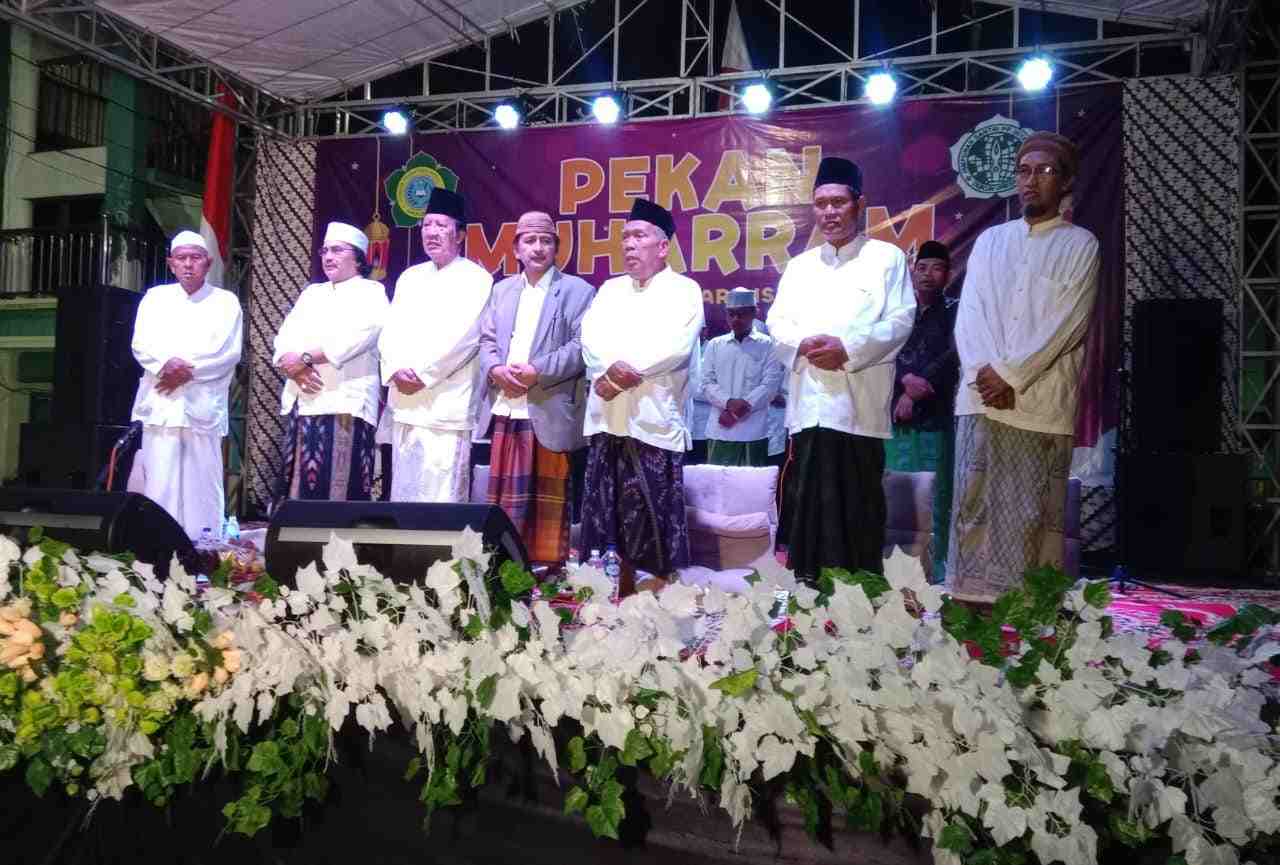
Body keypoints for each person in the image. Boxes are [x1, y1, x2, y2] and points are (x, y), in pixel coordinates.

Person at [948, 131, 1100, 603]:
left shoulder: (1080, 245)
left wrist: (1011, 375)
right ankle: (970, 615)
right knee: (973, 512)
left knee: (1032, 517)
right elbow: (969, 315)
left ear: (1068, 182)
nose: (1032, 181)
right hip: (980, 402)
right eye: (1024, 171)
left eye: (1046, 171)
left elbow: (1068, 323)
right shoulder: (991, 241)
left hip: (1037, 405)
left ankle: (1029, 623)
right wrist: (984, 373)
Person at [767, 157, 915, 582]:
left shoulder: (886, 259)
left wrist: (847, 349)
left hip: (858, 413)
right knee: (806, 516)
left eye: (838, 202)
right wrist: (803, 345)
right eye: (821, 204)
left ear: (859, 204)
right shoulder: (799, 267)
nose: (829, 212)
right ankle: (808, 606)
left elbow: (900, 321)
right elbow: (778, 322)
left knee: (856, 513)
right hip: (809, 411)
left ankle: (859, 616)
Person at [580, 198, 703, 593]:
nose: (628, 244)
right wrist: (606, 370)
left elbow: (676, 347)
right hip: (607, 421)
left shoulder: (684, 290)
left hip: (653, 423)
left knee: (652, 521)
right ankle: (618, 597)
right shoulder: (610, 290)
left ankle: (660, 604)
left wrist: (619, 374)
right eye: (625, 237)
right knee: (610, 520)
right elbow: (591, 340)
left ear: (663, 245)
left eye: (639, 236)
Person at [476, 211, 594, 567]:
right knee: (503, 505)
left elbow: (581, 346)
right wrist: (495, 368)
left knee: (546, 509)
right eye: (530, 240)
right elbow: (487, 339)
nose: (538, 248)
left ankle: (546, 580)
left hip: (548, 409)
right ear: (516, 248)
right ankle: (501, 574)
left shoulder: (578, 290)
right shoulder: (501, 290)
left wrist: (536, 371)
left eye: (546, 241)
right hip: (506, 408)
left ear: (557, 247)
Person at [379, 188, 492, 502]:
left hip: (447, 404)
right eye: (427, 225)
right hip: (404, 400)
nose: (432, 232)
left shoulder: (477, 279)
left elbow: (465, 339)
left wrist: (423, 375)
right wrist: (393, 370)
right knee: (404, 490)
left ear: (460, 235)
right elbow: (389, 332)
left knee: (441, 495)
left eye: (441, 226)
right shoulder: (409, 278)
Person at [130, 230, 243, 538]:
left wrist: (182, 371)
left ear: (207, 263)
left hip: (202, 406)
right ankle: (157, 550)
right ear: (171, 263)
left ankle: (203, 551)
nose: (188, 264)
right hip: (161, 405)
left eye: (195, 258)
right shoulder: (155, 299)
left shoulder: (225, 302)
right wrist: (166, 364)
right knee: (159, 482)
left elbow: (227, 353)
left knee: (202, 485)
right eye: (182, 258)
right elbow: (141, 344)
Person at [273, 222, 388, 504]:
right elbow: (285, 338)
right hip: (306, 399)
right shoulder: (312, 293)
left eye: (337, 250)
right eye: (325, 250)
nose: (328, 256)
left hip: (346, 403)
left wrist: (305, 358)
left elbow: (358, 336)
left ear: (358, 258)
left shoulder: (371, 292)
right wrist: (294, 367)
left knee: (340, 489)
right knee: (299, 490)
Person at [885, 240, 960, 582]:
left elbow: (955, 354)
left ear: (948, 273)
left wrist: (915, 388)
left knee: (937, 496)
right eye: (922, 267)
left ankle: (937, 571)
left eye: (937, 268)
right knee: (895, 494)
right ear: (912, 271)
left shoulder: (957, 310)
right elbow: (884, 351)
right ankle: (892, 567)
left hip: (936, 417)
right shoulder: (897, 311)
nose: (928, 274)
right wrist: (904, 381)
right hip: (894, 418)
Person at [700, 287, 784, 467]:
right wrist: (728, 403)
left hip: (754, 430)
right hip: (720, 428)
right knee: (719, 487)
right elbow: (706, 382)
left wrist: (735, 413)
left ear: (754, 313)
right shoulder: (715, 345)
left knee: (752, 488)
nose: (735, 319)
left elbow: (770, 386)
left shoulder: (768, 345)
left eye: (742, 314)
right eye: (731, 314)